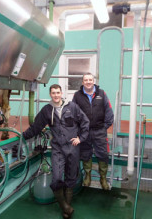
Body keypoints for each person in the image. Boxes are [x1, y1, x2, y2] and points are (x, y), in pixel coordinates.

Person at [22, 84, 89, 218]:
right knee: (57, 178)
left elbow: (85, 122)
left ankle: (66, 210)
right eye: (53, 93)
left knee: (71, 178)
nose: (56, 95)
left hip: (73, 148)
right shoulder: (47, 110)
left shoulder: (72, 107)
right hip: (58, 148)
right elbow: (36, 127)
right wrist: (23, 136)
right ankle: (65, 206)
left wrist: (80, 138)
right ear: (50, 94)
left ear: (61, 93)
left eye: (58, 92)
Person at [72, 73, 114, 190]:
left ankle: (103, 178)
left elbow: (109, 110)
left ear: (93, 81)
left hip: (100, 130)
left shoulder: (102, 94)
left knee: (103, 154)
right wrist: (78, 128)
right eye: (86, 80)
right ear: (82, 82)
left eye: (90, 80)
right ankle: (88, 176)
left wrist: (105, 126)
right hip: (84, 131)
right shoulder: (77, 95)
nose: (88, 82)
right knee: (85, 153)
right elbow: (73, 112)